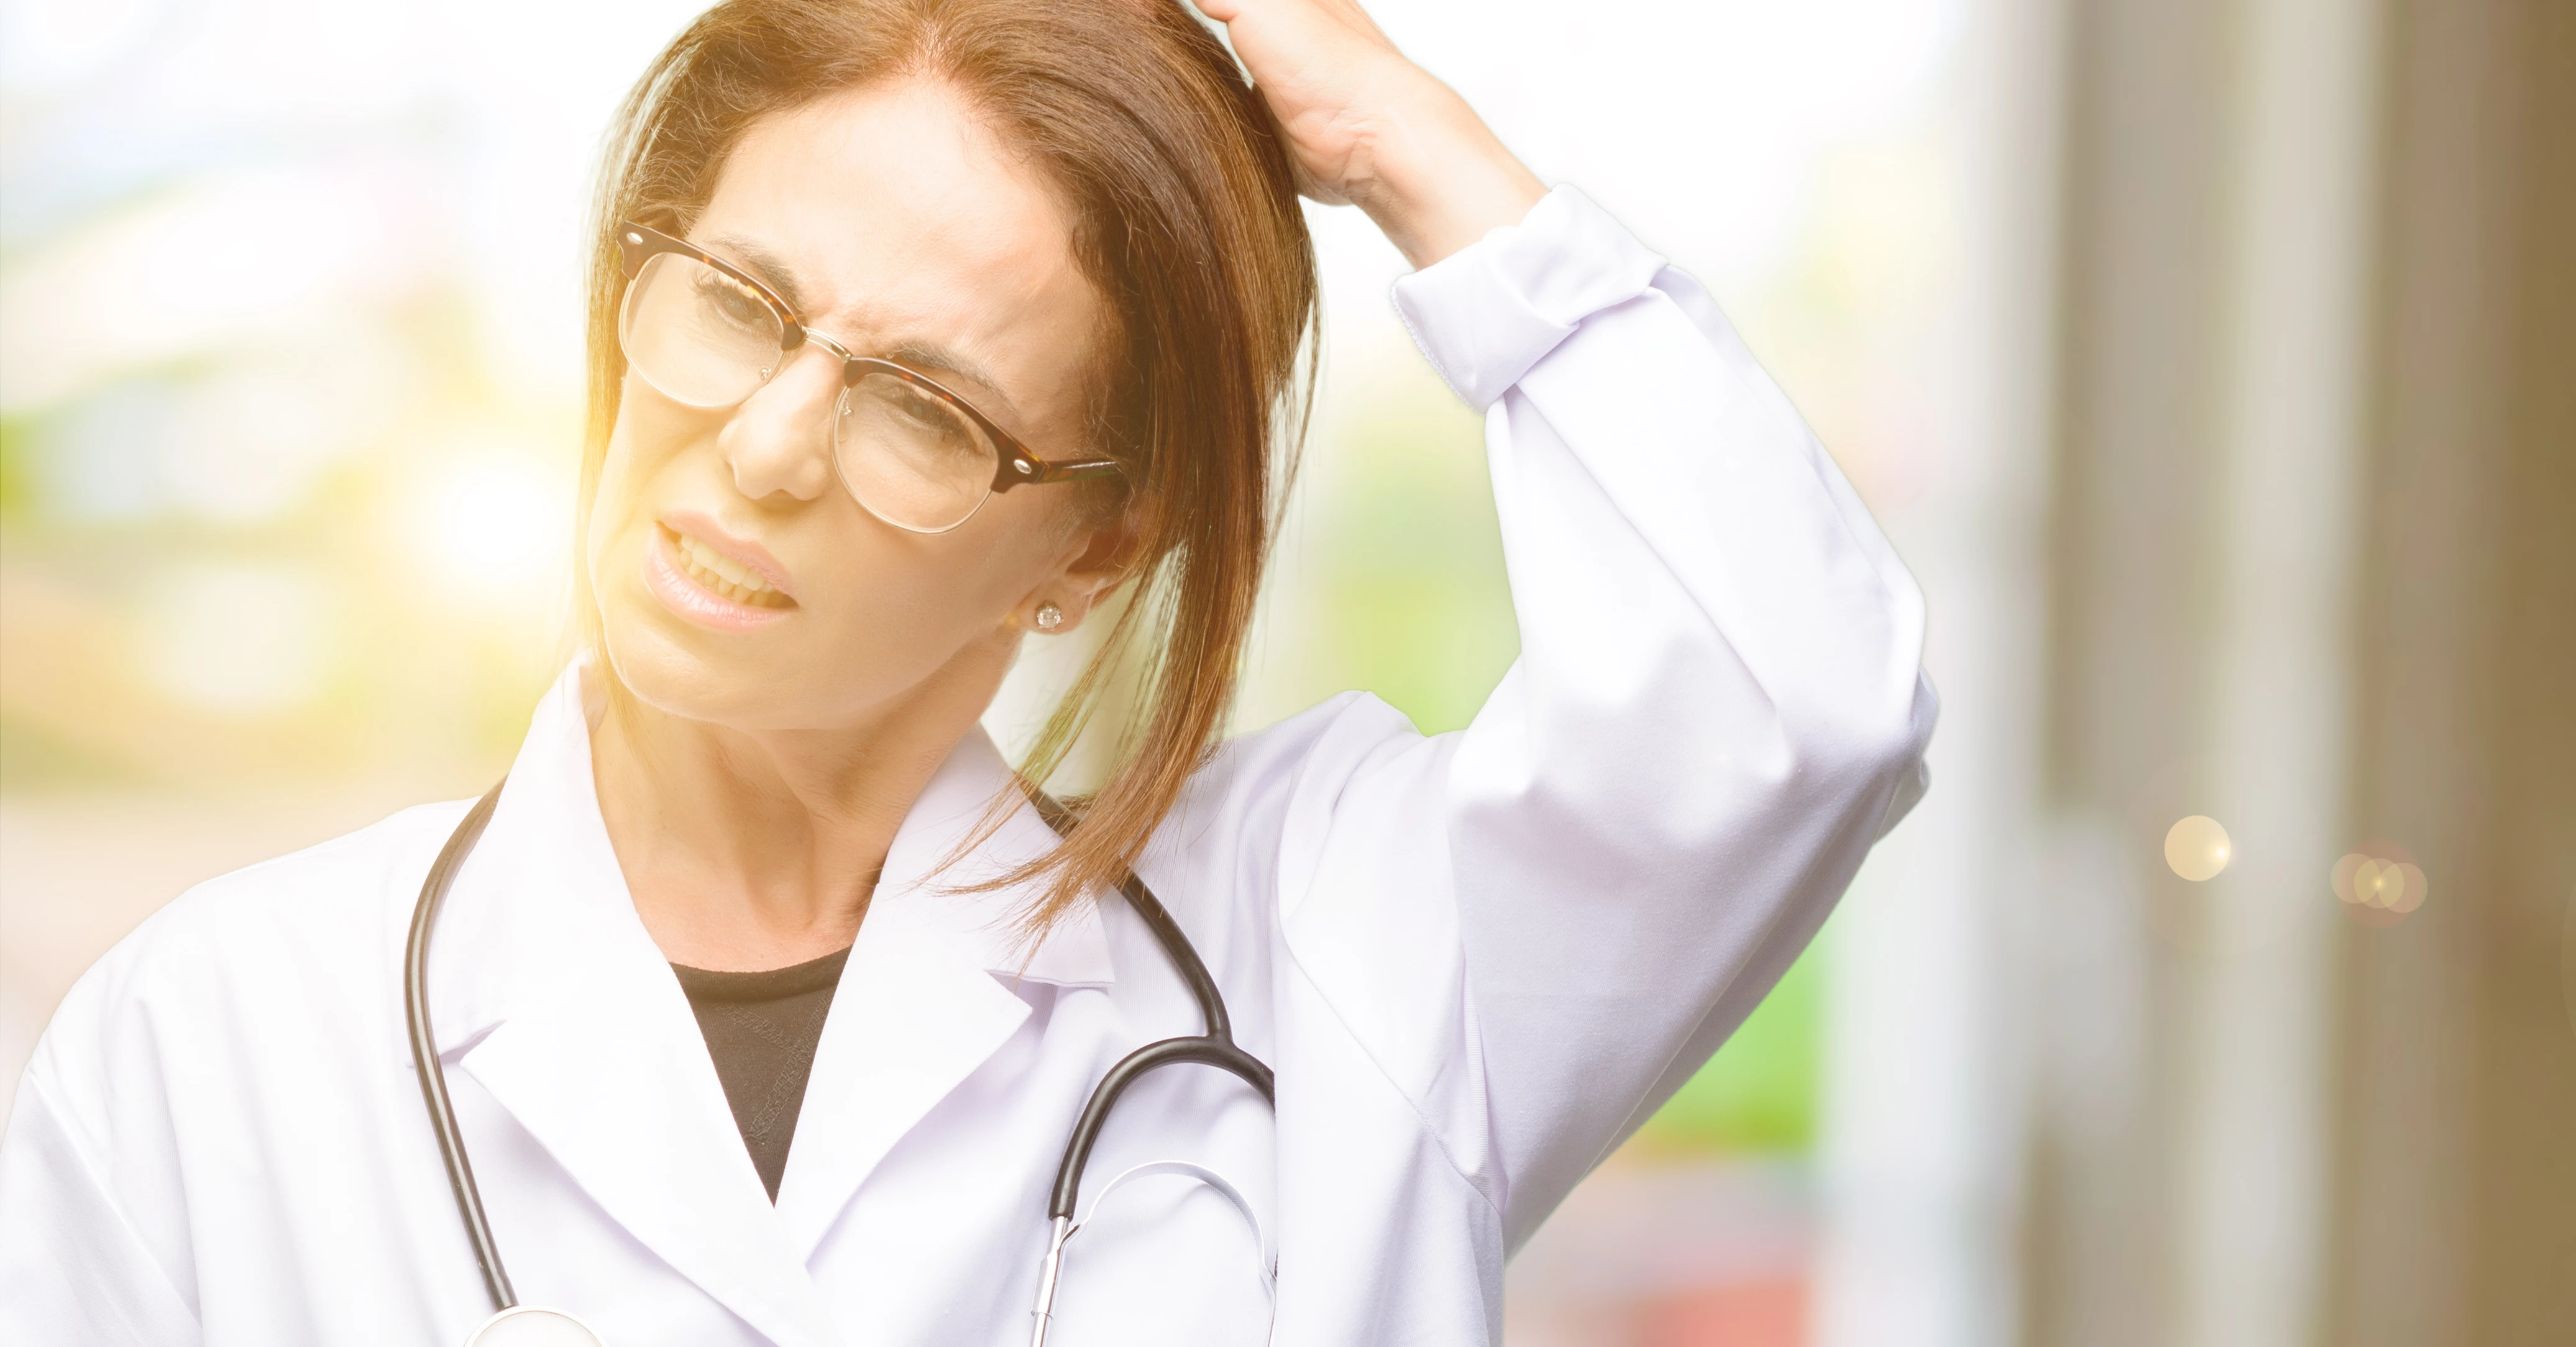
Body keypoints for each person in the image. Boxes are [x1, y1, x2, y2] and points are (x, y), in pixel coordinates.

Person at [0, 0, 1936, 1343]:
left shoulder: (1332, 952)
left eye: (924, 409)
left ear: (1094, 544)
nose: (765, 445)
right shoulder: (217, 1045)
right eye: (738, 305)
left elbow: (1795, 701)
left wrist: (1412, 146)